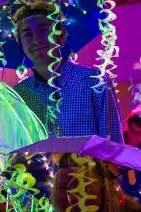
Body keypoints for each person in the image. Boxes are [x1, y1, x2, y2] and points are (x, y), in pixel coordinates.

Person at [11, 1, 123, 143]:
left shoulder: (95, 82)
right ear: (20, 44)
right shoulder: (19, 96)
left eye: (44, 30)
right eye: (27, 34)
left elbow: (114, 147)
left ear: (61, 36)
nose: (36, 40)